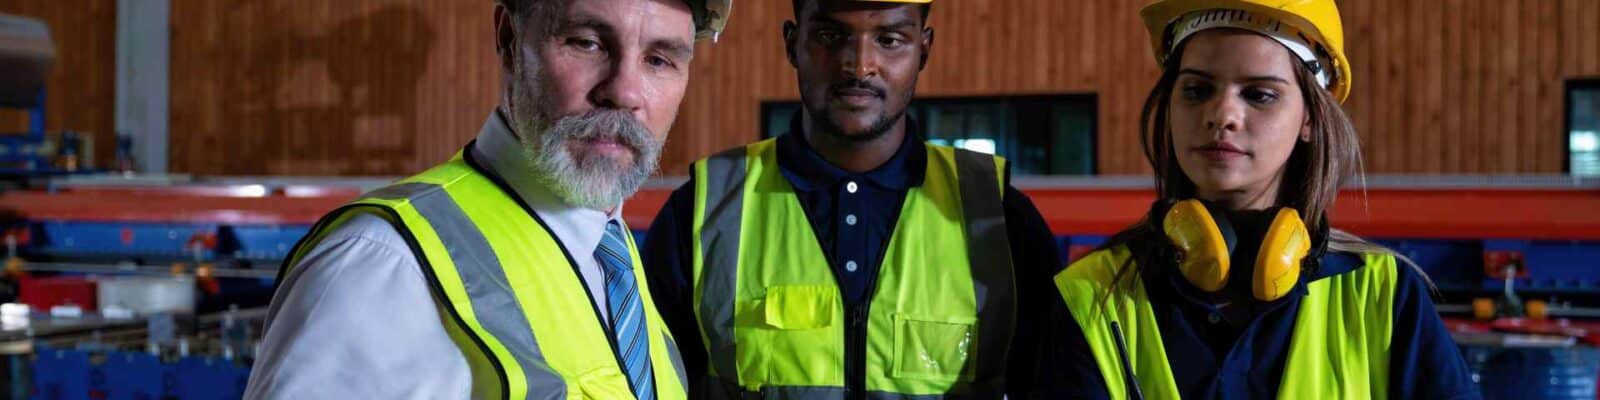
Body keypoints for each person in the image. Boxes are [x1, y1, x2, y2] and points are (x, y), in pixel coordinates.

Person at [244, 0, 732, 398]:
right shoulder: (381, 263)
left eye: (660, 59)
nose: (625, 91)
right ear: (509, 40)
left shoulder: (611, 252)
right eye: (586, 42)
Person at [1033, 1, 1481, 399]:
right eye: (1196, 89)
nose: (1222, 115)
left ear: (1309, 118)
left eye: (1259, 94)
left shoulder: (1383, 293)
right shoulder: (1090, 296)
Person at [641, 0, 1061, 398]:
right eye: (828, 36)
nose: (859, 65)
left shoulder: (1000, 215)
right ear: (792, 44)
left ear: (924, 50)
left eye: (890, 40)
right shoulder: (703, 210)